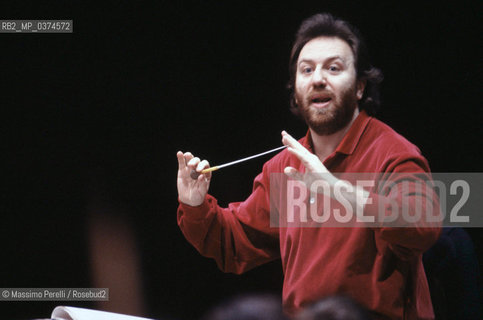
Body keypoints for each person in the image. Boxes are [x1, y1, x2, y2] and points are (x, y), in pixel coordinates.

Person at [176, 13, 441, 319]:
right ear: (296, 89)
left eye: (333, 68)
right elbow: (235, 242)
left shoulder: (394, 154)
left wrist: (336, 189)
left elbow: (424, 224)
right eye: (307, 70)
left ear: (359, 87)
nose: (317, 78)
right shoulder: (286, 165)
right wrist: (194, 205)